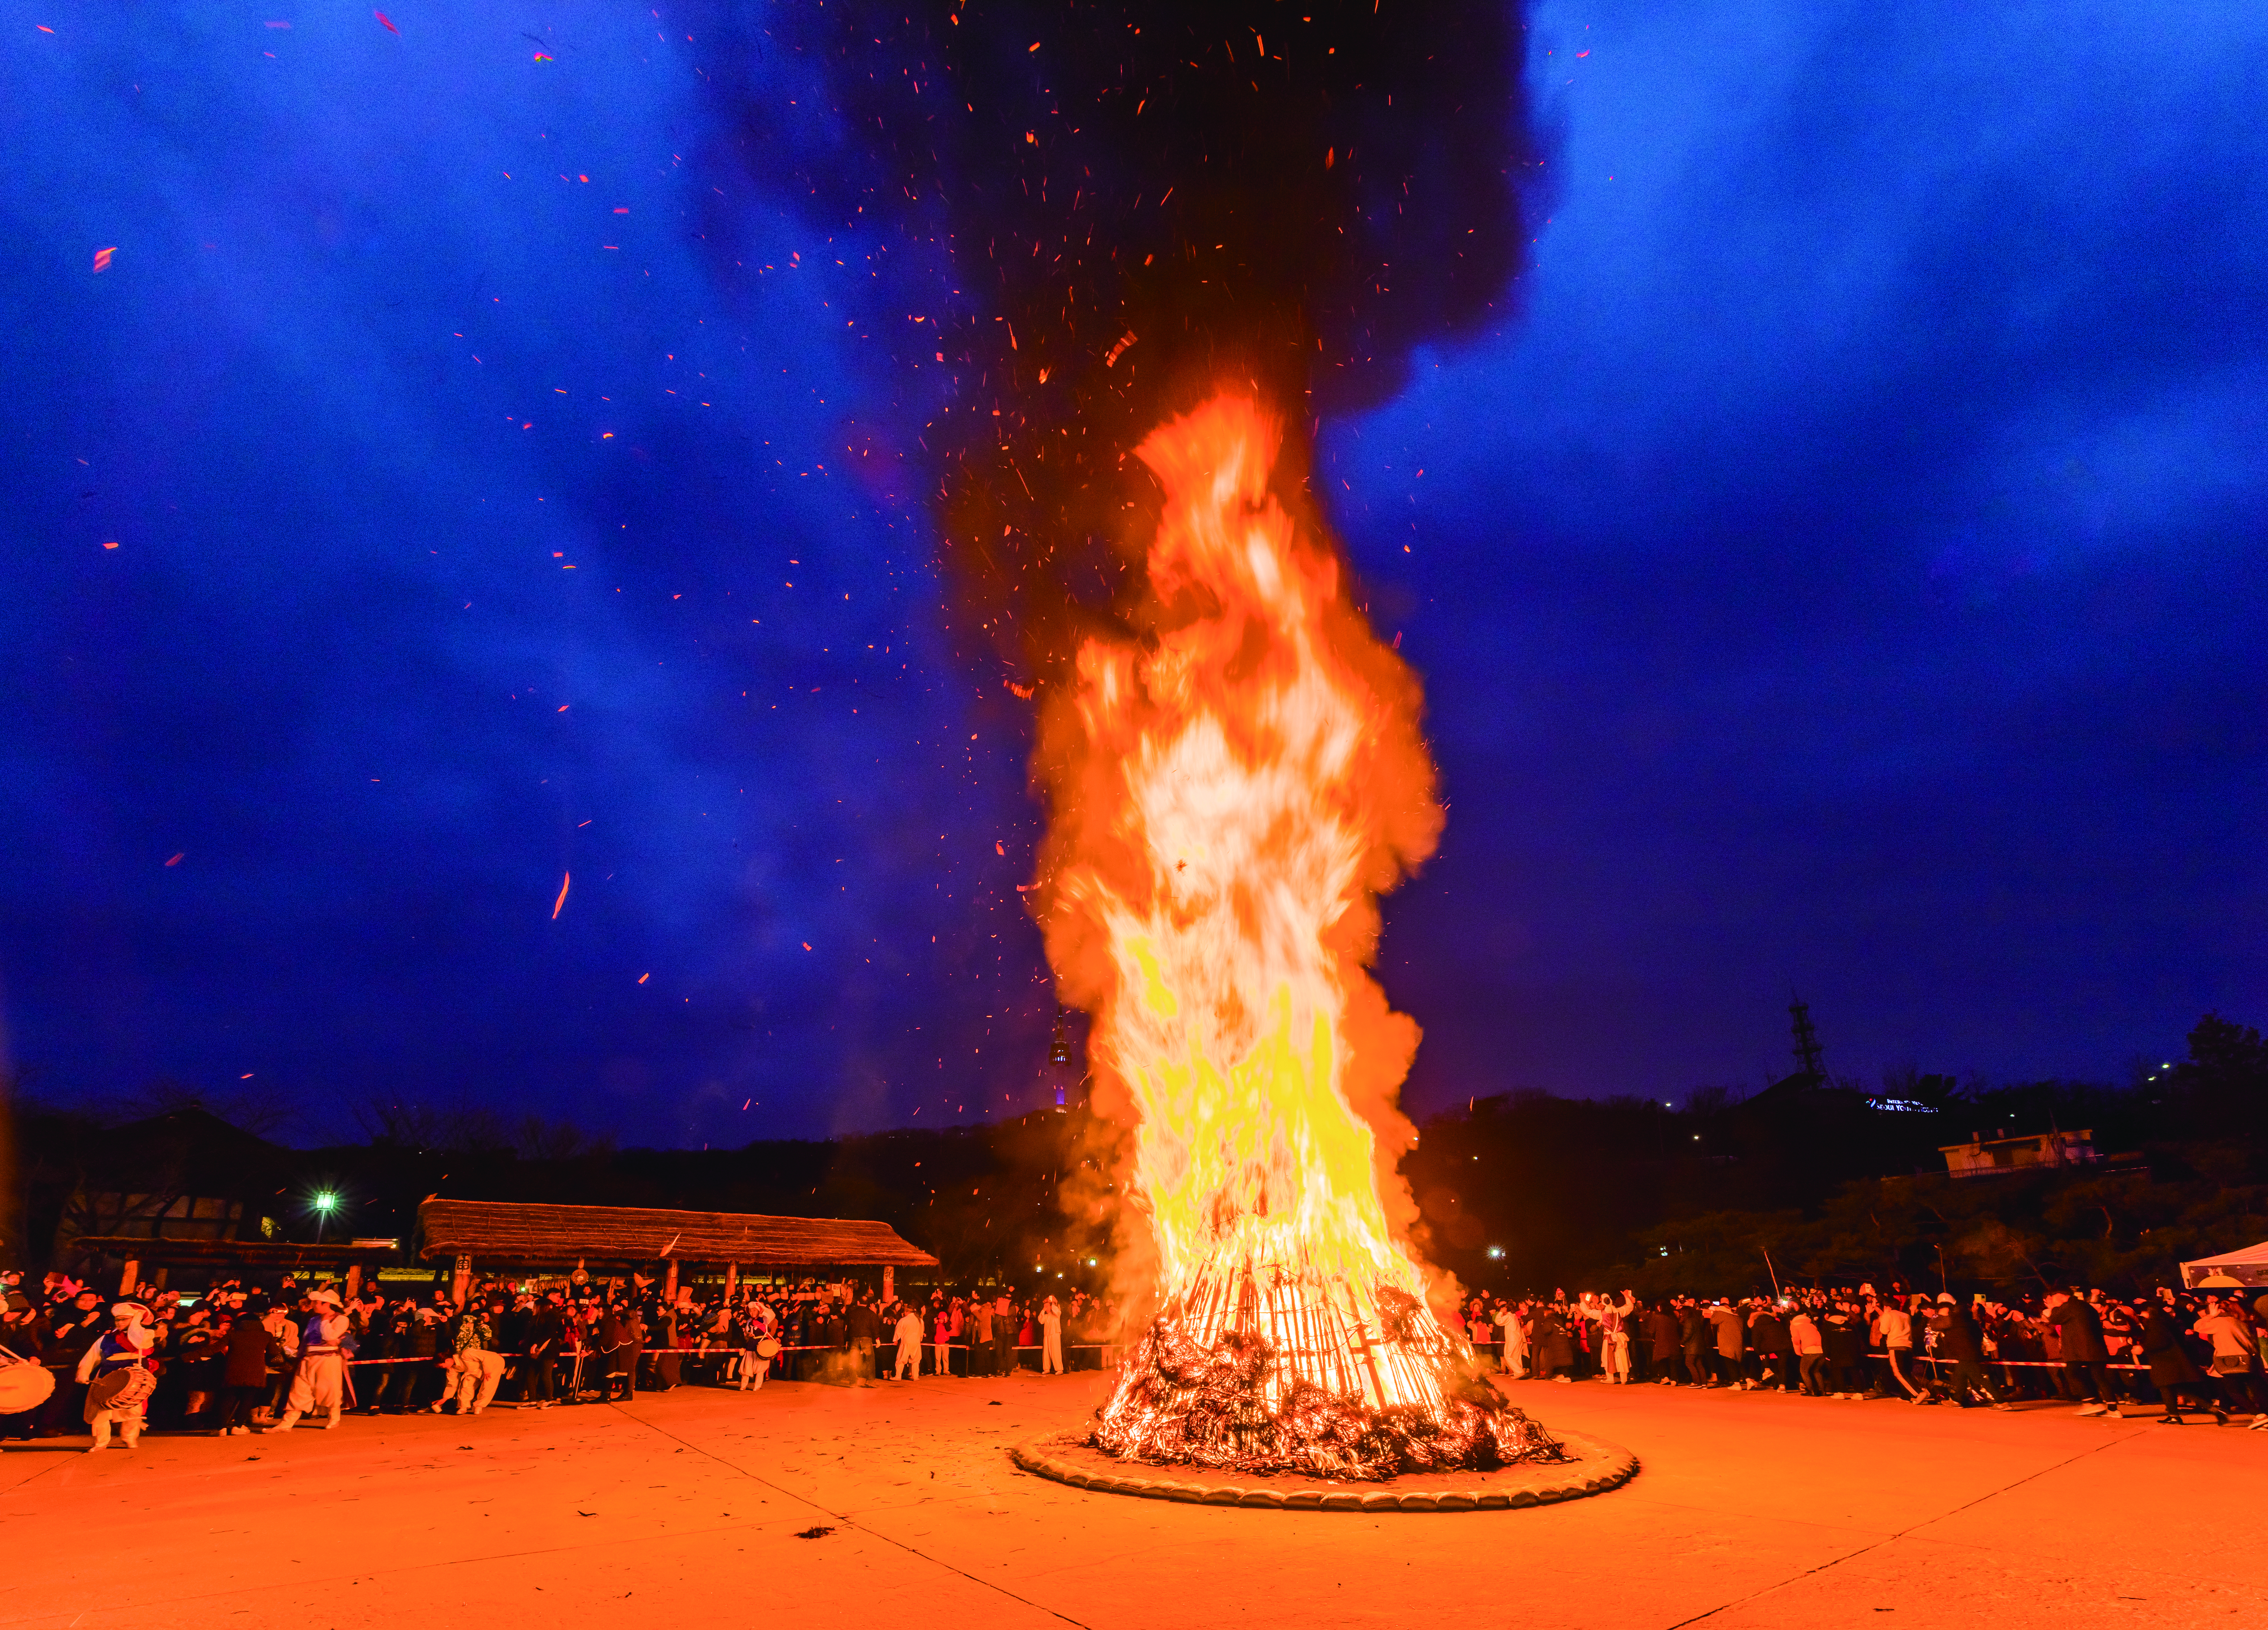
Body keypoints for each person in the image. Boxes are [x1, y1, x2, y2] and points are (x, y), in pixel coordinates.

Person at [77, 1302, 157, 1451]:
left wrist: (136, 1325)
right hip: (107, 1375)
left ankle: (129, 1438)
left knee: (133, 1410)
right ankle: (101, 1442)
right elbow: (92, 1356)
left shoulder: (146, 1334)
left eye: (125, 1319)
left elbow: (141, 1344)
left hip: (132, 1376)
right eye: (118, 1320)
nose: (120, 1323)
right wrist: (84, 1373)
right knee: (99, 1411)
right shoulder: (106, 1338)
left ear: (134, 1319)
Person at [270, 1288, 351, 1431]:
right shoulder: (313, 1319)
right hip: (308, 1359)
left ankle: (334, 1419)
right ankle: (287, 1423)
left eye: (317, 1303)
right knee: (299, 1391)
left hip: (328, 1360)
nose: (313, 1305)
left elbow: (329, 1337)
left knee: (329, 1390)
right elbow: (306, 1339)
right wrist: (301, 1356)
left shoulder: (342, 1319)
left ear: (327, 1304)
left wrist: (326, 1322)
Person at [2043, 1289, 2119, 1417]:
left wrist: (2052, 1306)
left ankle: (2091, 1402)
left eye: (2052, 1298)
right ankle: (2113, 1410)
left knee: (2072, 1373)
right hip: (2096, 1348)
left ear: (2061, 1296)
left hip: (2079, 1350)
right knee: (2100, 1378)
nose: (2051, 1301)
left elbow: (2054, 1319)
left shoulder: (2069, 1306)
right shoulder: (2086, 1306)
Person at [894, 1301, 925, 1380]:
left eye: (904, 1312)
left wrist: (896, 1340)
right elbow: (922, 1332)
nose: (904, 1313)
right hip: (916, 1342)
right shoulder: (920, 1320)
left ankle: (898, 1377)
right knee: (916, 1360)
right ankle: (915, 1377)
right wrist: (920, 1339)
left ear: (907, 1312)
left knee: (901, 1359)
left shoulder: (904, 1320)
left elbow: (898, 1331)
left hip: (906, 1342)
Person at [1039, 1295, 1064, 1375]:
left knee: (1056, 1352)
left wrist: (1052, 1302)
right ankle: (1047, 1369)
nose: (1045, 1308)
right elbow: (1040, 1320)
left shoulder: (1057, 1314)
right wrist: (1043, 1310)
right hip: (1047, 1335)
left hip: (1055, 1334)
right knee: (1046, 1353)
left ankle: (1059, 1369)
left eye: (1047, 1306)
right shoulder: (1046, 1316)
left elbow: (1055, 1309)